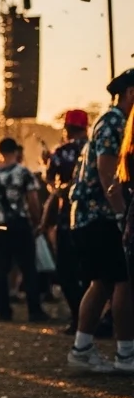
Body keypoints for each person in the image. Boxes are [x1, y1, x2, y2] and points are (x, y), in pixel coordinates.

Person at [70, 69, 134, 371]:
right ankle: (125, 354)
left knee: (106, 282)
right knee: (121, 281)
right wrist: (122, 215)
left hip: (98, 214)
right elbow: (108, 173)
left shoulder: (118, 122)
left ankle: (84, 348)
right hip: (100, 214)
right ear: (130, 92)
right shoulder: (113, 123)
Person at [0, 138, 50, 324]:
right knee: (28, 267)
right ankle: (34, 310)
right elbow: (33, 200)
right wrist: (38, 222)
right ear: (16, 151)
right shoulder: (23, 172)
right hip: (19, 223)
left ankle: (3, 311)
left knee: (0, 268)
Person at [44, 109, 90, 331]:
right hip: (96, 218)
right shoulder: (95, 147)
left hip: (67, 219)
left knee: (67, 272)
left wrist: (62, 190)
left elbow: (50, 182)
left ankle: (78, 318)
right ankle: (98, 318)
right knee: (95, 273)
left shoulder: (60, 152)